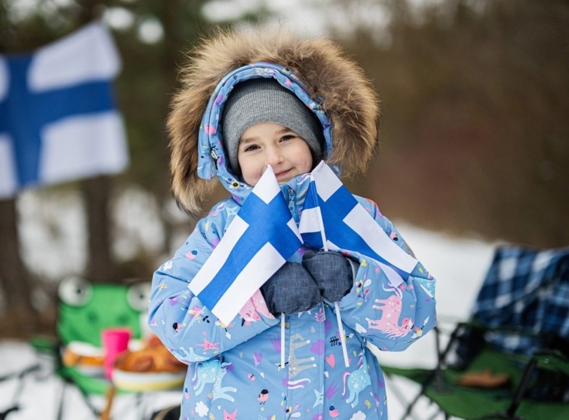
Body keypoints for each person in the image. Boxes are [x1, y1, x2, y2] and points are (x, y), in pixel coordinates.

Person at [148, 26, 437, 420]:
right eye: (252, 146)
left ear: (314, 137)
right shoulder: (221, 232)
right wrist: (260, 297)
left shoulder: (356, 219)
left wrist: (356, 281)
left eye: (287, 137)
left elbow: (414, 319)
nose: (273, 158)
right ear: (232, 159)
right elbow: (176, 327)